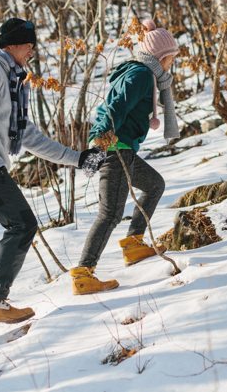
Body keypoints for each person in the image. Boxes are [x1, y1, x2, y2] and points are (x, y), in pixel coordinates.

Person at [0, 17, 101, 352]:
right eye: (29, 45)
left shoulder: (11, 80)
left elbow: (26, 135)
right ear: (13, 44)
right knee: (22, 223)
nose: (32, 52)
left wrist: (76, 158)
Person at [70, 19, 180, 295]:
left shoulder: (147, 74)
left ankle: (133, 243)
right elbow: (114, 105)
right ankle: (84, 273)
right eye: (171, 58)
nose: (172, 64)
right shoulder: (141, 74)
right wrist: (101, 136)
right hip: (116, 150)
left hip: (126, 149)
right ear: (161, 57)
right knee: (110, 214)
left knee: (155, 185)